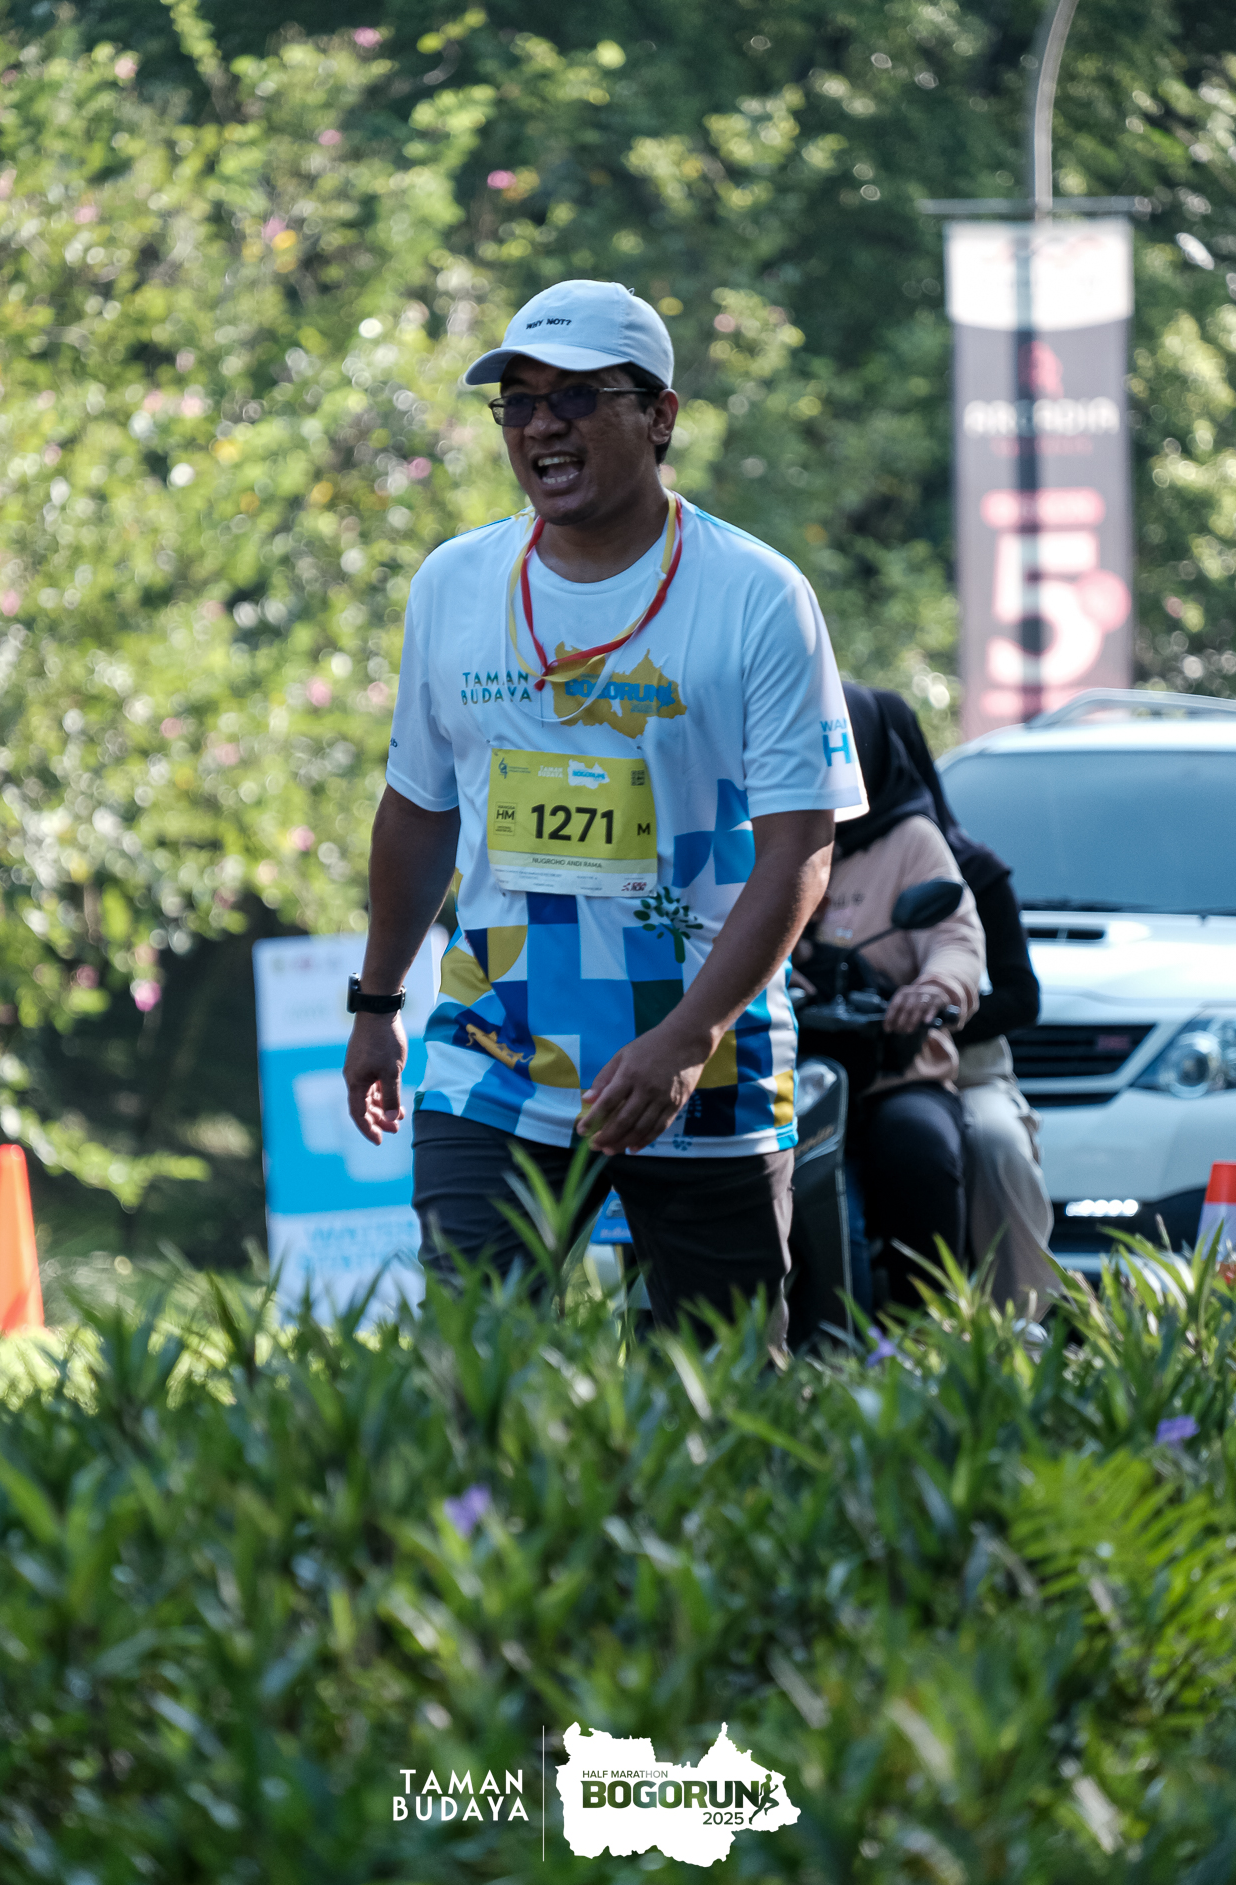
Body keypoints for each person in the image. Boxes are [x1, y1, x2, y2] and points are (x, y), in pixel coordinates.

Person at [342, 279, 863, 1336]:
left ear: (659, 415)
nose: (542, 426)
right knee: (474, 1369)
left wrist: (687, 1036)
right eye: (520, 402)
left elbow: (798, 851)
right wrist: (376, 1004)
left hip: (704, 1059)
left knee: (713, 1391)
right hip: (495, 1049)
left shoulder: (757, 594)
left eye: (578, 398)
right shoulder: (453, 583)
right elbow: (419, 808)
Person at [791, 683, 986, 1314]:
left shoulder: (911, 842)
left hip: (893, 1074)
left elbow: (955, 937)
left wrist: (933, 988)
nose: (829, 764)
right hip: (785, 1072)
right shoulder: (773, 830)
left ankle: (932, 1328)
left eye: (841, 747)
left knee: (920, 1149)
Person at [873, 690, 1058, 1315]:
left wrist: (928, 1017)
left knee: (998, 1145)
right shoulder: (826, 862)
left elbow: (1021, 997)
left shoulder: (972, 869)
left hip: (965, 1070)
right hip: (864, 1068)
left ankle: (1020, 1318)